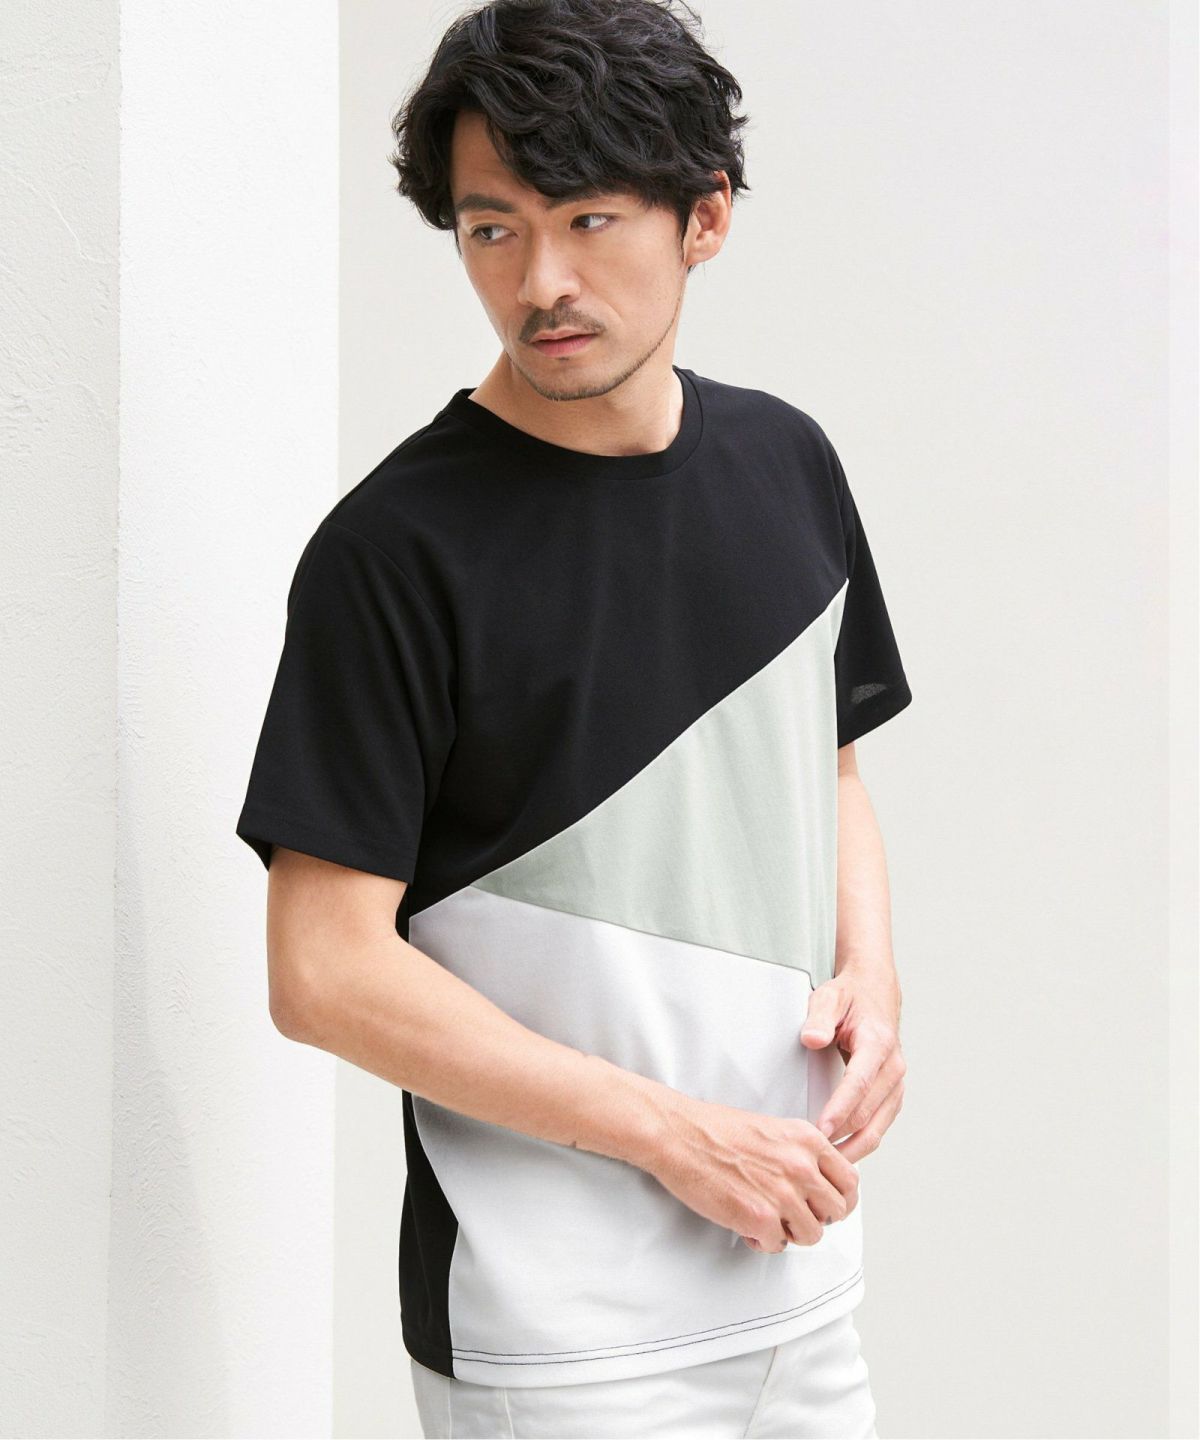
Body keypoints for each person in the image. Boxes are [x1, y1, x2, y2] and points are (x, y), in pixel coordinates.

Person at [235, 0, 913, 1434]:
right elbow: (321, 969)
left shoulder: (787, 464)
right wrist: (669, 1136)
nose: (540, 281)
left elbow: (827, 768)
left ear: (703, 218)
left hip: (803, 1288)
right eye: (493, 230)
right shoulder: (393, 554)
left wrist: (874, 973)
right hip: (559, 1344)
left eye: (589, 220)